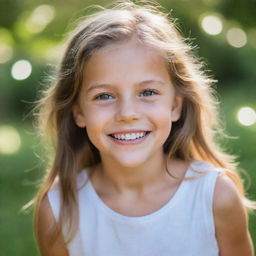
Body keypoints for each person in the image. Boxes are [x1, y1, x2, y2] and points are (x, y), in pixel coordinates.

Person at [33, 1, 255, 255]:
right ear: (78, 112)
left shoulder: (215, 196)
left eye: (148, 92)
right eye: (104, 96)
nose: (127, 114)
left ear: (175, 105)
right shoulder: (58, 210)